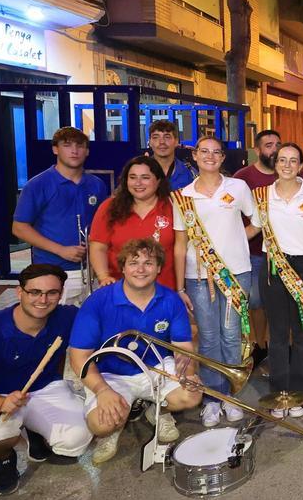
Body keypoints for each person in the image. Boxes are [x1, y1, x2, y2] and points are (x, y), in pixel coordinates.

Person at [0, 264, 91, 496]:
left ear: (61, 294)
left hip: (46, 388)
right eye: (35, 292)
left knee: (75, 441)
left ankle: (34, 430)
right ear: (20, 292)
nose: (43, 300)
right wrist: (0, 403)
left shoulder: (67, 316)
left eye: (52, 293)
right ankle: (5, 458)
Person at [69, 239, 202, 465]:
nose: (141, 269)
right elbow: (78, 357)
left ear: (159, 268)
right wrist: (102, 391)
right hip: (111, 374)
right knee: (101, 424)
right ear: (122, 268)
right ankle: (116, 426)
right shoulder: (98, 301)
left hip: (156, 365)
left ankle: (156, 409)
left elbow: (183, 347)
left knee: (192, 396)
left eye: (148, 263)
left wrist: (188, 373)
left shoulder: (170, 299)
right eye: (134, 263)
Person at [172, 136, 258, 427]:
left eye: (216, 152)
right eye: (203, 151)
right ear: (195, 156)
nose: (210, 156)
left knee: (231, 335)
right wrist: (179, 286)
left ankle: (232, 396)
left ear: (223, 158)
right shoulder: (183, 196)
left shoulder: (238, 187)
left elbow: (257, 221)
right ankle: (212, 398)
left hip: (236, 273)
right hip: (198, 277)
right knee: (208, 338)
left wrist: (238, 242)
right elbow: (180, 244)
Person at [255, 143, 303, 417]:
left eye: (293, 160)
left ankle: (299, 392)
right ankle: (279, 392)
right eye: (282, 160)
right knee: (279, 333)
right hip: (273, 267)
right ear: (275, 163)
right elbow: (253, 228)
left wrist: (302, 249)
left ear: (300, 165)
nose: (287, 165)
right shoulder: (261, 195)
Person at [11, 127, 109, 274]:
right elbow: (19, 228)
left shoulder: (97, 184)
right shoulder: (37, 185)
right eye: (67, 145)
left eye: (80, 146)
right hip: (51, 270)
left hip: (92, 268)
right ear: (55, 149)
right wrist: (61, 250)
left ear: (87, 151)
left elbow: (105, 222)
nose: (74, 151)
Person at [88, 156, 177, 291]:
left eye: (145, 177)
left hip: (165, 292)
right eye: (133, 177)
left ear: (158, 180)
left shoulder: (173, 206)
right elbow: (98, 247)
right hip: (118, 290)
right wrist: (103, 276)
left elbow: (183, 250)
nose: (138, 183)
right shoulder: (109, 207)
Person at [235, 129, 281, 353]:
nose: (274, 149)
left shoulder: (286, 174)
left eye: (277, 144)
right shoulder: (242, 178)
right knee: (255, 301)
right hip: (253, 251)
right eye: (269, 145)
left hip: (283, 252)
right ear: (257, 150)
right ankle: (260, 344)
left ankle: (279, 344)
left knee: (280, 301)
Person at [146, 119, 195, 190]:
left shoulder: (190, 173)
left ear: (176, 141)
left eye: (167, 137)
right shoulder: (140, 171)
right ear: (150, 142)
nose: (162, 142)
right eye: (156, 137)